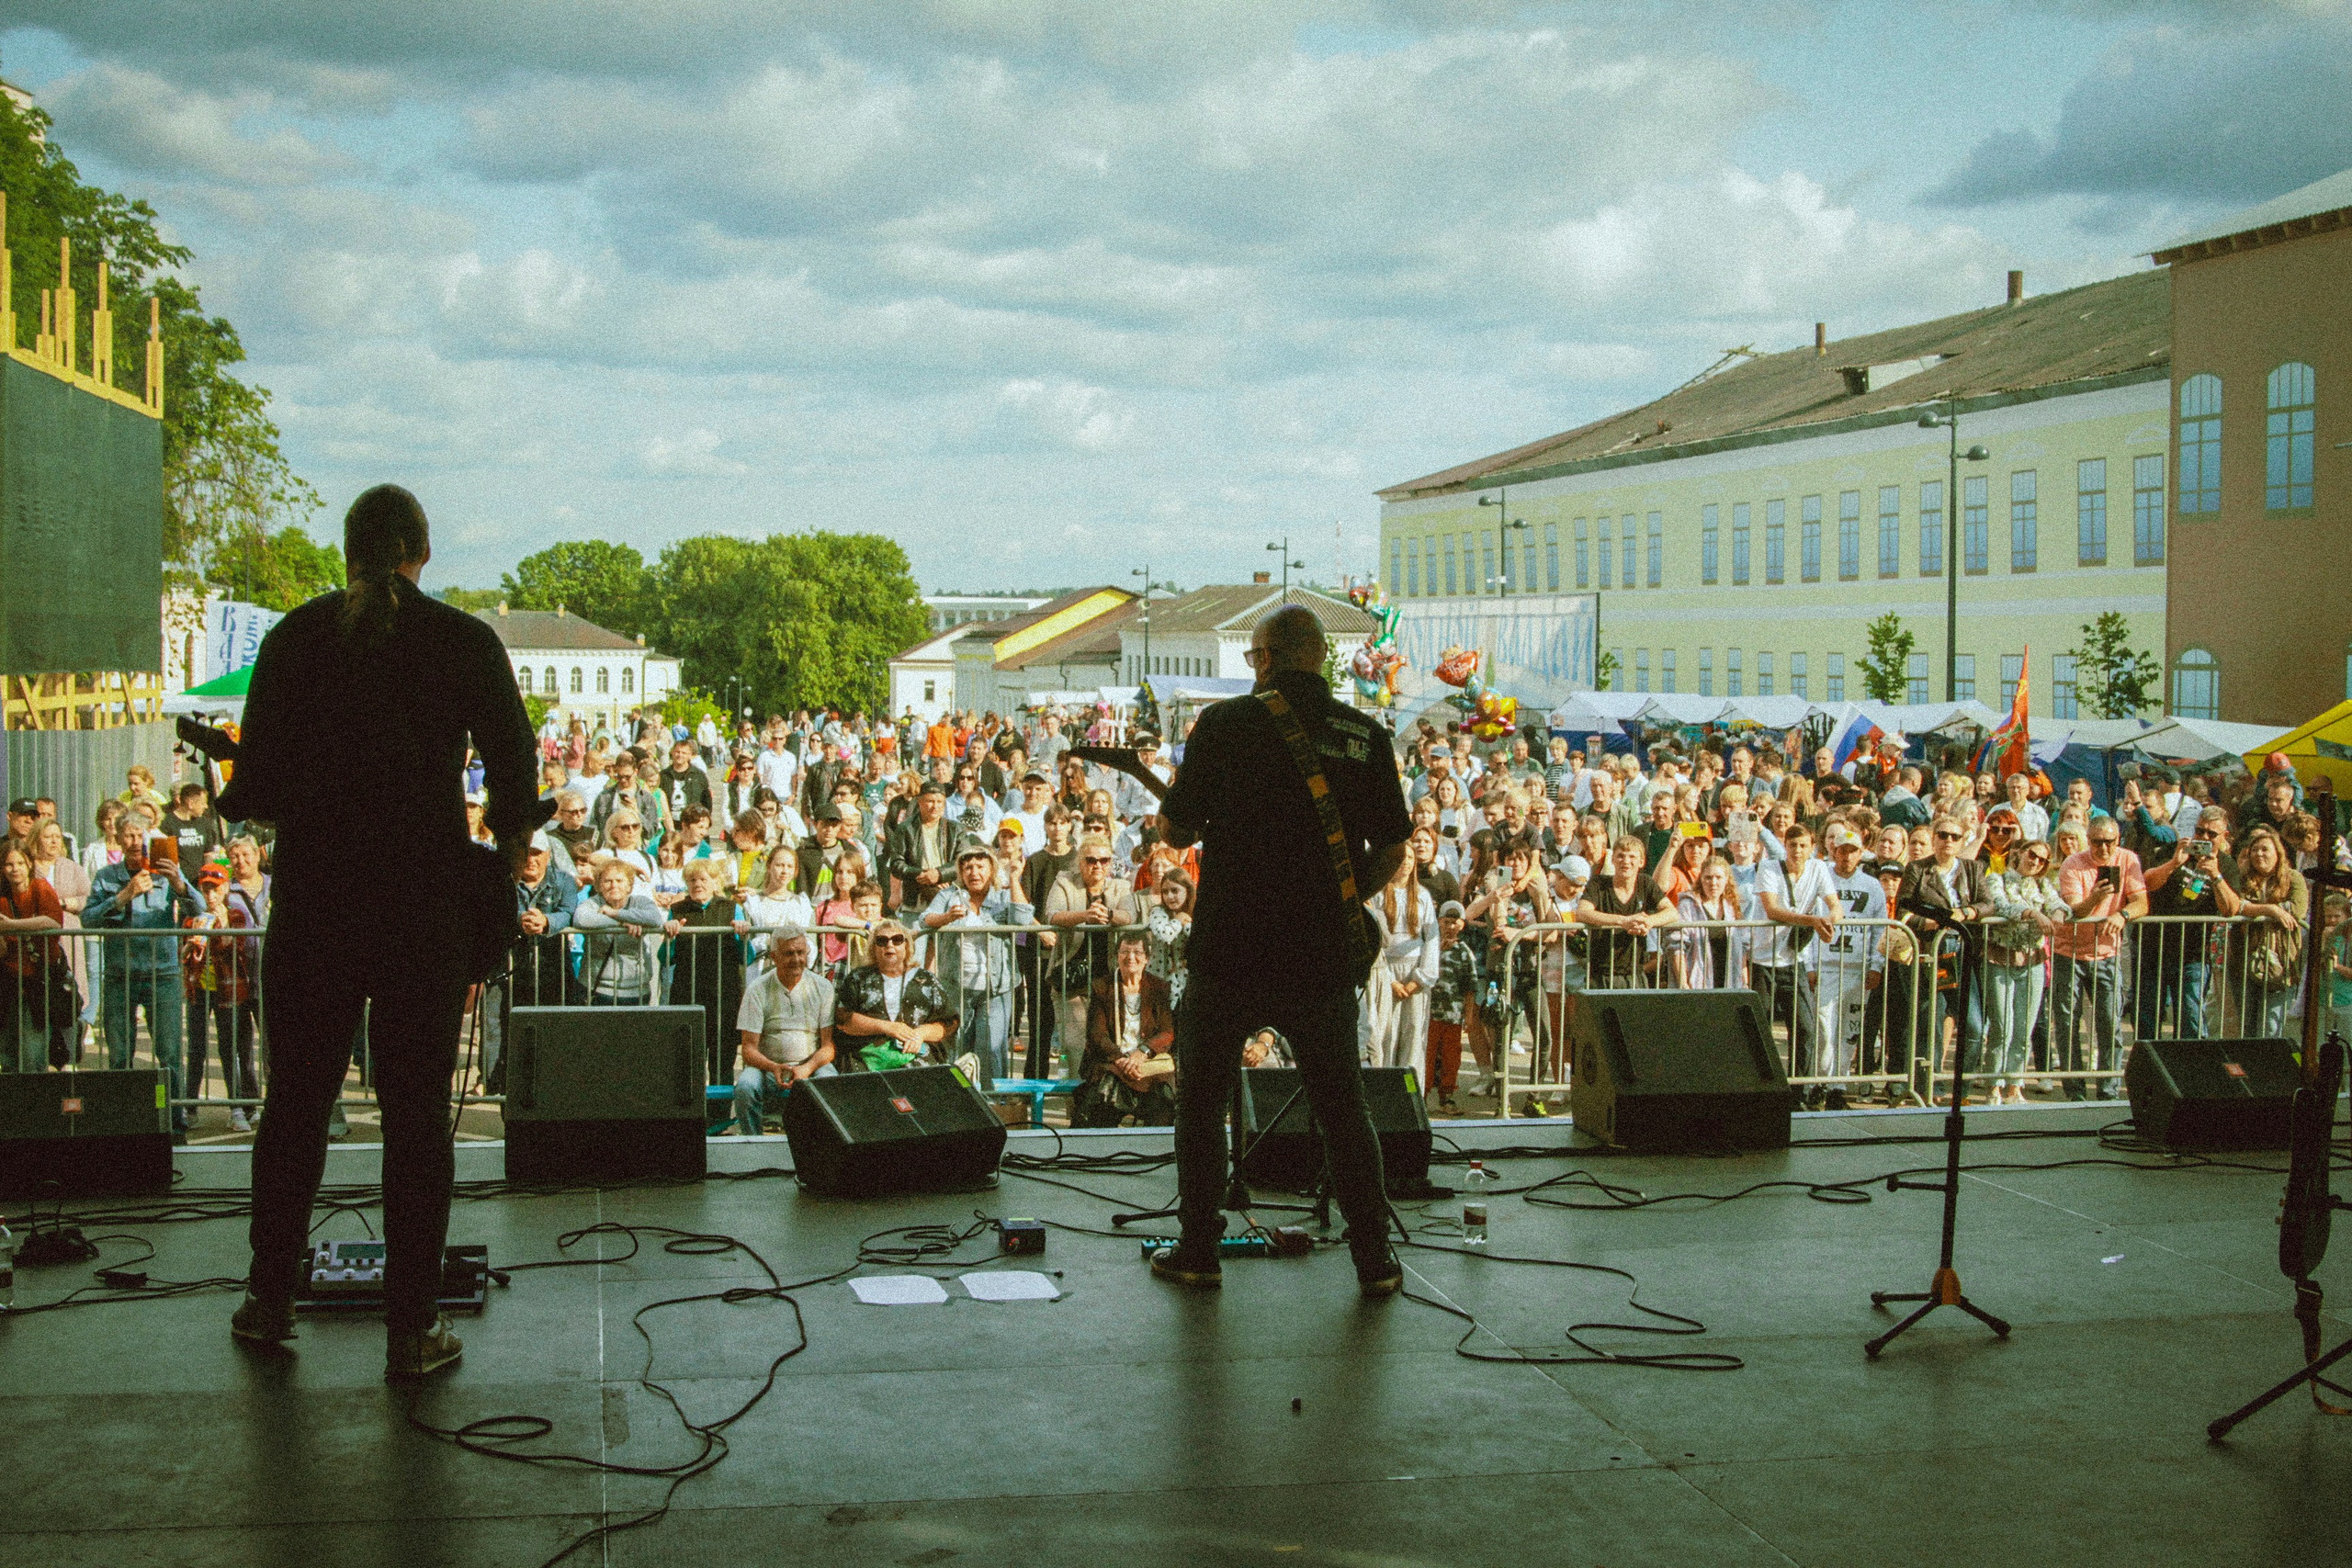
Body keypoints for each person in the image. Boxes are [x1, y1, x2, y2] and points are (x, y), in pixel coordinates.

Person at [218, 484, 543, 1381]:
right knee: (416, 1116)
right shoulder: (463, 640)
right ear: (421, 553)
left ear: (347, 553)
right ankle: (412, 1327)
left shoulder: (296, 638)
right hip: (420, 912)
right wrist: (502, 856)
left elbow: (257, 792)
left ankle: (268, 1299)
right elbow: (515, 769)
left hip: (315, 908)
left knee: (294, 1108)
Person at [1152, 604, 1412, 1296]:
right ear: (1320, 657)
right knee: (1344, 1108)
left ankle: (1198, 1248)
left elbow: (1176, 832)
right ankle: (1375, 1258)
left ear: (1266, 658)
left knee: (1202, 1103)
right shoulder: (1365, 734)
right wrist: (1340, 898)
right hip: (1318, 954)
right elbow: (1394, 849)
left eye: (1252, 656)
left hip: (1231, 947)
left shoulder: (1225, 725)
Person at [87, 815, 202, 1126]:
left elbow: (200, 911)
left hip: (162, 974)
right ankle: (121, 1123)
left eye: (140, 835)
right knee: (119, 1055)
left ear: (149, 838)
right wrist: (122, 896)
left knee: (169, 1054)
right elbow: (88, 919)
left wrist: (180, 885)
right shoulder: (106, 876)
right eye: (128, 835)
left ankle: (174, 1119)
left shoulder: (165, 871)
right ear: (118, 839)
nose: (134, 842)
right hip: (119, 975)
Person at [920, 840, 1033, 1088]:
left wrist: (1014, 879)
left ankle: (994, 1100)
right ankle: (959, 1101)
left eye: (981, 867)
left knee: (991, 1050)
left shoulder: (1003, 896)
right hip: (957, 986)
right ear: (961, 872)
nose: (974, 872)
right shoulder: (949, 895)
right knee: (957, 1047)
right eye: (968, 867)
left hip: (997, 988)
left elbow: (1023, 920)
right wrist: (946, 917)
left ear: (991, 870)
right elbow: (924, 919)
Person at [2050, 815, 2146, 1100]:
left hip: (2106, 953)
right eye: (2096, 842)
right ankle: (2075, 1093)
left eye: (2109, 842)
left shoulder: (2128, 859)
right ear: (2088, 840)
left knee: (2109, 1024)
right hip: (2069, 952)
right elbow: (2076, 910)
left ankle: (2108, 1090)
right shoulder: (2073, 863)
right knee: (2068, 1025)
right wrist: (2096, 897)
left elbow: (2141, 902)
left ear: (2118, 839)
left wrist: (2122, 914)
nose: (2103, 848)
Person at [1044, 833, 1139, 1078]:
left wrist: (1108, 915)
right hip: (1070, 980)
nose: (1097, 865)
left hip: (1107, 981)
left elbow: (1129, 915)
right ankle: (1077, 1099)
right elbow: (1053, 914)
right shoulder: (1065, 881)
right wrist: (1085, 916)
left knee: (1108, 1046)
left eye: (1104, 860)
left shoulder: (1120, 886)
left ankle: (1101, 1099)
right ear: (1080, 861)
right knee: (1075, 1046)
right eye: (1091, 860)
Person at [730, 925, 835, 1134]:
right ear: (774, 957)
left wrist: (807, 1068)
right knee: (745, 1087)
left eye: (801, 952)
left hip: (810, 1067)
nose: (796, 959)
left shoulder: (823, 987)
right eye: (789, 953)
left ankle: (823, 1145)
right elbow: (748, 1050)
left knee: (830, 1082)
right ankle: (754, 1144)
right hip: (766, 1068)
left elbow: (828, 1047)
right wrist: (773, 1067)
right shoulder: (757, 989)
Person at [1982, 840, 2062, 1105]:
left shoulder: (2043, 884)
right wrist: (2034, 914)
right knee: (2002, 1027)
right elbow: (2001, 906)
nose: (2036, 862)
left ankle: (2015, 1085)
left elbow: (2058, 903)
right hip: (2001, 958)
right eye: (2032, 855)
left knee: (2024, 1028)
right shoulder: (1997, 879)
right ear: (2020, 853)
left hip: (2033, 960)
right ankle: (1994, 1085)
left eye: (2043, 860)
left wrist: (2058, 913)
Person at [1070, 931, 1177, 1128]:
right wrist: (1121, 1060)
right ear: (1117, 956)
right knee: (1101, 1101)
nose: (1131, 957)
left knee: (1163, 1100)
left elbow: (1167, 1032)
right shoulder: (1102, 987)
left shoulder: (1159, 987)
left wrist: (1141, 1053)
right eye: (1125, 952)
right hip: (1113, 1062)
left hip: (1147, 1063)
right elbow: (1097, 1035)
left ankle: (1155, 1145)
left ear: (1147, 958)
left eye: (1137, 952)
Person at [663, 859, 748, 1083]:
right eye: (692, 880)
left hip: (723, 994)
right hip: (687, 993)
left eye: (703, 879)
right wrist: (670, 937)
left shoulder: (731, 908)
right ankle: (689, 1107)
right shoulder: (677, 910)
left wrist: (742, 936)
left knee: (723, 1060)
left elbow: (745, 957)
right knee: (688, 1062)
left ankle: (721, 1106)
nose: (697, 884)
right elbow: (665, 958)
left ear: (715, 881)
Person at [832, 919, 955, 1071]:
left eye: (897, 940)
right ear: (873, 948)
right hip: (866, 1059)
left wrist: (920, 1034)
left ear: (907, 946)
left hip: (917, 1058)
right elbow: (843, 1019)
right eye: (882, 941)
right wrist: (888, 1028)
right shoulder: (858, 978)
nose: (889, 945)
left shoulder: (926, 979)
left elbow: (948, 1023)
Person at [1362, 852, 1439, 1072]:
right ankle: (1386, 1087)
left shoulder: (1422, 895)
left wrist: (1420, 979)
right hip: (1387, 972)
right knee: (1386, 1036)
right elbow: (1377, 940)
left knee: (1413, 1037)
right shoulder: (1378, 895)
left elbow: (1431, 939)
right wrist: (1390, 981)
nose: (1406, 863)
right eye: (1401, 858)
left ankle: (1411, 1088)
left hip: (1415, 972)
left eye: (1411, 858)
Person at [2231, 826, 2308, 1040]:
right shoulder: (2242, 878)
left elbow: (2298, 908)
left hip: (2281, 961)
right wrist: (2271, 910)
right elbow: (2237, 906)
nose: (2259, 854)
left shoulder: (2293, 878)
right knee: (2247, 1027)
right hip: (2245, 960)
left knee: (2271, 1027)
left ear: (2278, 853)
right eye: (2255, 850)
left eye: (2265, 849)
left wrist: (2254, 909)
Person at [0, 841, 69, 1073]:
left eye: (20, 863)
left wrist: (11, 925)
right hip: (9, 982)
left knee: (33, 1054)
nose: (15, 869)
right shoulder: (2, 896)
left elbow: (53, 922)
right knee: (8, 1055)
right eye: (8, 864)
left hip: (39, 981)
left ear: (29, 864)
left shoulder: (40, 887)